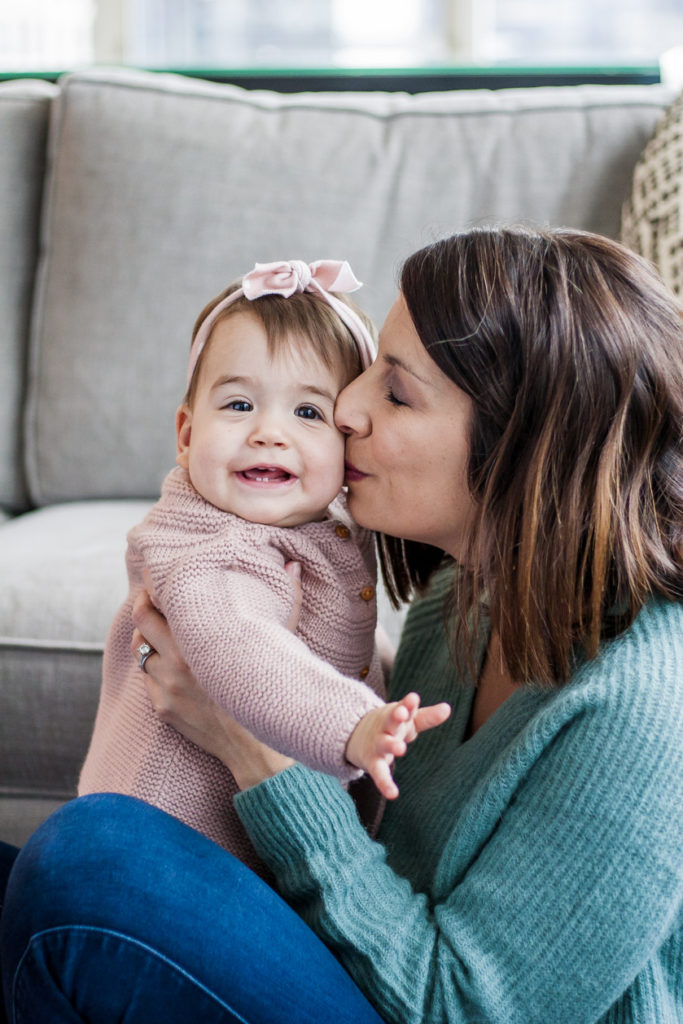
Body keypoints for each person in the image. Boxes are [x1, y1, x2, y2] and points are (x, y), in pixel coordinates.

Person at [1, 227, 682, 1024]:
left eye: (393, 392)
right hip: (360, 969)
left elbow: (462, 1007)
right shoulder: (466, 595)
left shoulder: (640, 711)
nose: (346, 408)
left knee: (91, 864)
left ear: (520, 446)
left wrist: (253, 749)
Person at [78, 258, 449, 873]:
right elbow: (240, 644)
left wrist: (386, 681)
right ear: (186, 433)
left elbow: (336, 637)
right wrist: (354, 723)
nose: (269, 433)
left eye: (307, 414)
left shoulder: (313, 530)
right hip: (162, 856)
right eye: (239, 404)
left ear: (349, 440)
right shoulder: (213, 550)